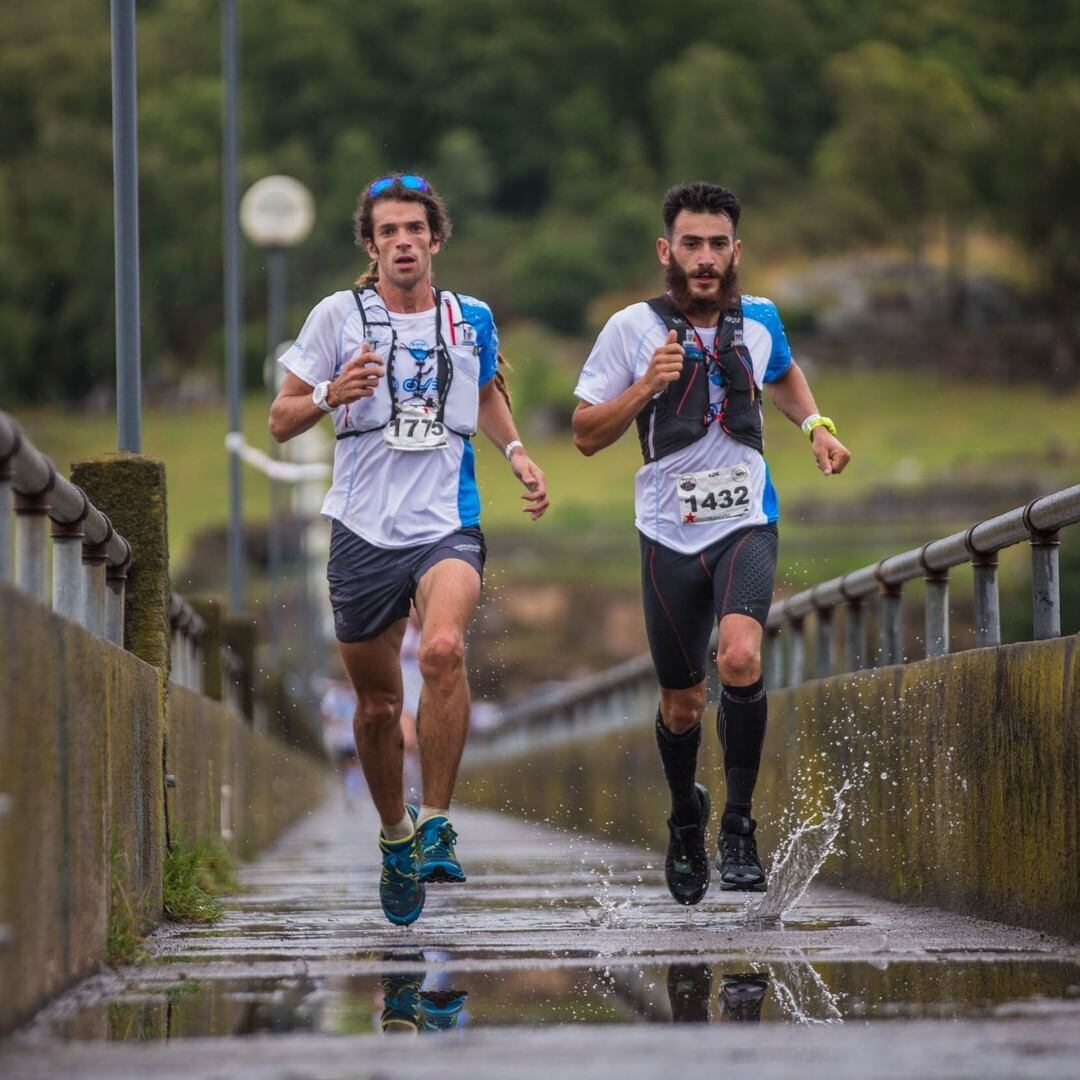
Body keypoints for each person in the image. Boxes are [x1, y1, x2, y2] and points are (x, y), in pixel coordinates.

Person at [269, 173, 549, 926]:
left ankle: (434, 824)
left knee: (444, 651)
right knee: (376, 705)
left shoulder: (472, 318)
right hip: (362, 530)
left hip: (444, 523)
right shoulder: (337, 316)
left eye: (414, 231)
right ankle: (394, 835)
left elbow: (487, 390)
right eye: (387, 231)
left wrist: (516, 450)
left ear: (434, 240)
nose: (401, 242)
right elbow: (279, 418)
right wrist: (332, 391)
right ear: (370, 244)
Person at [572, 182, 850, 904]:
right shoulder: (631, 329)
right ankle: (686, 817)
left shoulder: (759, 320)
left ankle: (738, 827)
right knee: (682, 705)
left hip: (745, 521)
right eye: (690, 244)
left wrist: (816, 428)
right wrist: (644, 389)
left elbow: (783, 371)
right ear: (667, 250)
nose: (704, 258)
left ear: (736, 251)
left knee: (740, 654)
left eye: (717, 245)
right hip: (667, 536)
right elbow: (584, 434)